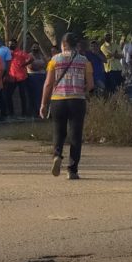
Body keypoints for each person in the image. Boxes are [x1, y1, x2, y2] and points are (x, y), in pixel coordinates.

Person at [40, 32, 93, 180]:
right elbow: (91, 84)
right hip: (77, 101)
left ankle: (57, 155)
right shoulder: (84, 61)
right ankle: (72, 170)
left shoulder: (54, 60)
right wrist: (83, 90)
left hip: (58, 100)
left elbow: (48, 84)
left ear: (63, 45)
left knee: (59, 132)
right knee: (76, 136)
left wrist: (43, 104)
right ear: (76, 45)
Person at [6, 39, 33, 119]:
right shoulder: (8, 53)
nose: (11, 45)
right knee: (8, 95)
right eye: (10, 44)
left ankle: (24, 114)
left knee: (23, 96)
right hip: (12, 77)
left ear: (16, 44)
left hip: (22, 77)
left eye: (12, 44)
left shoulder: (21, 53)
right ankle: (11, 113)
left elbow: (31, 58)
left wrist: (25, 64)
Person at [26, 43, 48, 114]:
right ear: (31, 48)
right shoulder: (29, 56)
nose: (35, 48)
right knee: (34, 94)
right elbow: (31, 67)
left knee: (41, 94)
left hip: (42, 76)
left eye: (37, 47)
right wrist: (39, 67)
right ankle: (34, 111)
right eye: (34, 47)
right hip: (33, 77)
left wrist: (38, 66)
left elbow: (46, 65)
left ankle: (40, 110)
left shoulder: (41, 56)